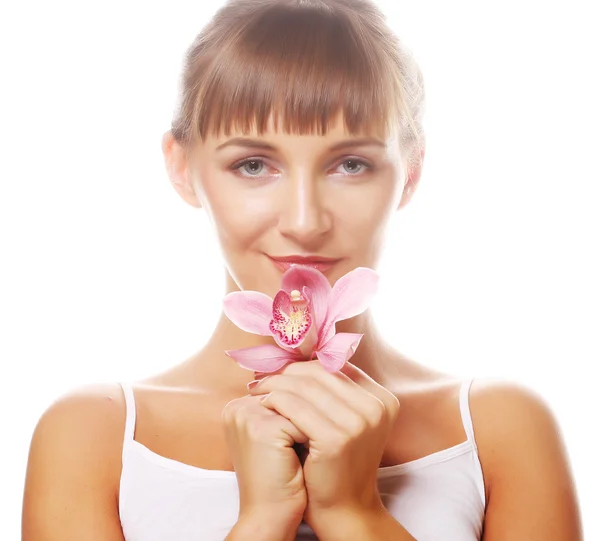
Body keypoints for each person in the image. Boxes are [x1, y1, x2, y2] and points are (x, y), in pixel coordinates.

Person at [21, 0, 583, 540]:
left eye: (351, 164)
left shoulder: (500, 429)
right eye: (253, 164)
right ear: (183, 167)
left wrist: (353, 512)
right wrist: (263, 521)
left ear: (409, 173)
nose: (305, 220)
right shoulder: (96, 437)